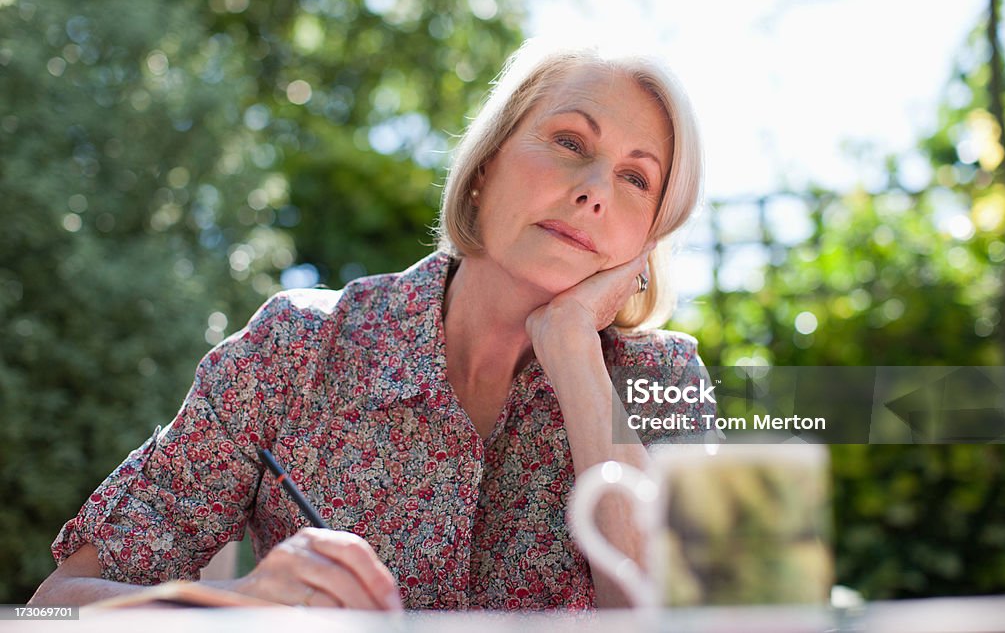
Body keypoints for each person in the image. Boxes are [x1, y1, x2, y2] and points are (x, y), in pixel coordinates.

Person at [30, 40, 711, 610]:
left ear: (647, 240)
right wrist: (237, 604)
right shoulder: (294, 348)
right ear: (484, 166)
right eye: (569, 141)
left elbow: (686, 618)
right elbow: (52, 607)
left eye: (636, 178)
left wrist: (572, 350)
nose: (594, 188)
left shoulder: (665, 381)